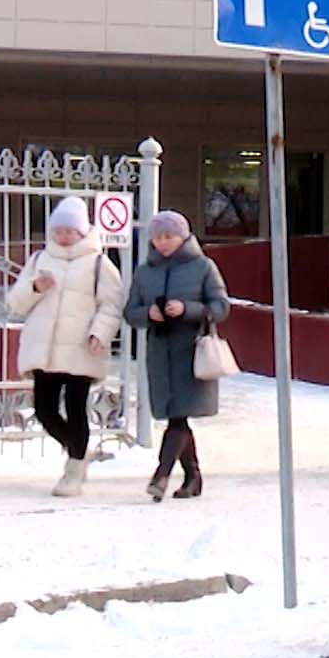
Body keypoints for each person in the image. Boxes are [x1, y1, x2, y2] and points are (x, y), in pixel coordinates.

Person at [6, 196, 126, 497]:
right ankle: (78, 451)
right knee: (44, 409)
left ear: (82, 231)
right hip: (44, 350)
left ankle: (73, 469)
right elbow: (15, 302)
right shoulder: (39, 259)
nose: (63, 236)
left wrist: (100, 333)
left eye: (69, 231)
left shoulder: (99, 263)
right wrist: (35, 288)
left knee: (75, 408)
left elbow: (111, 305)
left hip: (81, 347)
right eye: (58, 230)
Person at [124, 210, 230, 502]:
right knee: (176, 415)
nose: (162, 242)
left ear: (183, 237)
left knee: (178, 417)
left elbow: (221, 306)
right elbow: (130, 312)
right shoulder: (145, 272)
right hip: (160, 353)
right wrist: (149, 313)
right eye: (157, 237)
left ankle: (161, 475)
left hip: (192, 352)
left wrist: (188, 309)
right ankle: (193, 477)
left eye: (168, 236)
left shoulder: (203, 266)